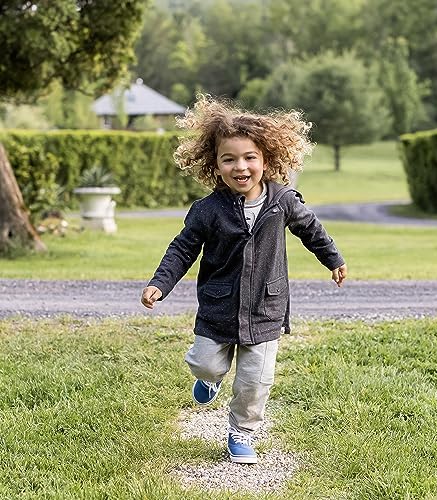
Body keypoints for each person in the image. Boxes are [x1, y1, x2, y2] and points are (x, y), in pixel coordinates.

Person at [141, 94, 347, 464]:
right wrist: (160, 283)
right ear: (215, 164)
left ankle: (242, 433)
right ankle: (209, 379)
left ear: (266, 159)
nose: (241, 166)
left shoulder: (283, 200)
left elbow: (311, 230)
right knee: (205, 363)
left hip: (266, 306)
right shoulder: (208, 210)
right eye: (229, 159)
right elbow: (182, 248)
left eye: (250, 157)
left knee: (255, 380)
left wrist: (333, 259)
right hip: (219, 305)